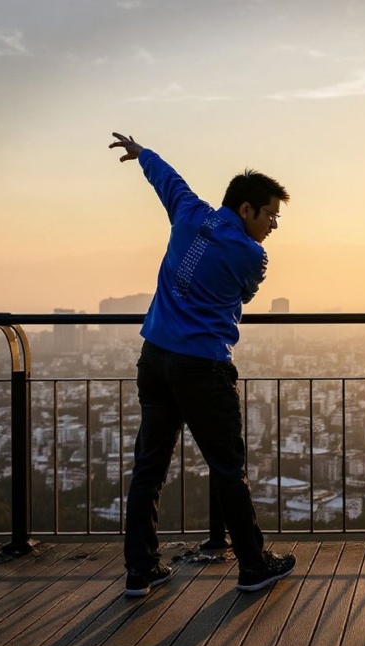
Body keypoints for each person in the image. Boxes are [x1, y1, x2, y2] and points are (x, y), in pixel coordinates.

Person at [108, 132, 296, 597]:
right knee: (227, 467)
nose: (274, 224)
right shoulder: (251, 254)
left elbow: (166, 180)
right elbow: (245, 293)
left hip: (155, 359)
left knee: (148, 467)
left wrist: (141, 153)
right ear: (247, 209)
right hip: (203, 368)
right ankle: (253, 565)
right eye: (270, 213)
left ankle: (141, 569)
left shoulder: (190, 213)